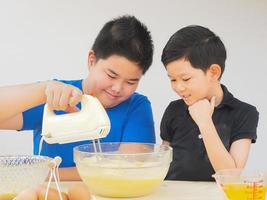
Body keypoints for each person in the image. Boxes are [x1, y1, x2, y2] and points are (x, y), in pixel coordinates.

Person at [0, 15, 155, 180]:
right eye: (111, 75)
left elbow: (128, 168)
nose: (117, 88)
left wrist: (43, 175)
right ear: (91, 60)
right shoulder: (56, 95)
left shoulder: (137, 107)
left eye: (131, 82)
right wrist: (41, 90)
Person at [160, 25, 259, 181]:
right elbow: (163, 160)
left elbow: (231, 176)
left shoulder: (244, 113)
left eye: (186, 79)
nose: (178, 87)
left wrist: (205, 122)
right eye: (172, 79)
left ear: (213, 72)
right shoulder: (174, 109)